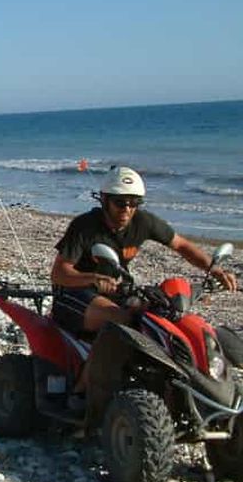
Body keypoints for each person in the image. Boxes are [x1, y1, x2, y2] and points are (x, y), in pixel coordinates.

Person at [51, 166, 237, 392]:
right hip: (74, 292)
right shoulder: (85, 227)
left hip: (115, 290)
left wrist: (214, 269)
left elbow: (181, 245)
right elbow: (59, 273)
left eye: (134, 203)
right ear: (105, 200)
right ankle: (82, 389)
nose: (127, 210)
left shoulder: (143, 222)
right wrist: (93, 278)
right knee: (121, 320)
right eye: (120, 203)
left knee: (160, 316)